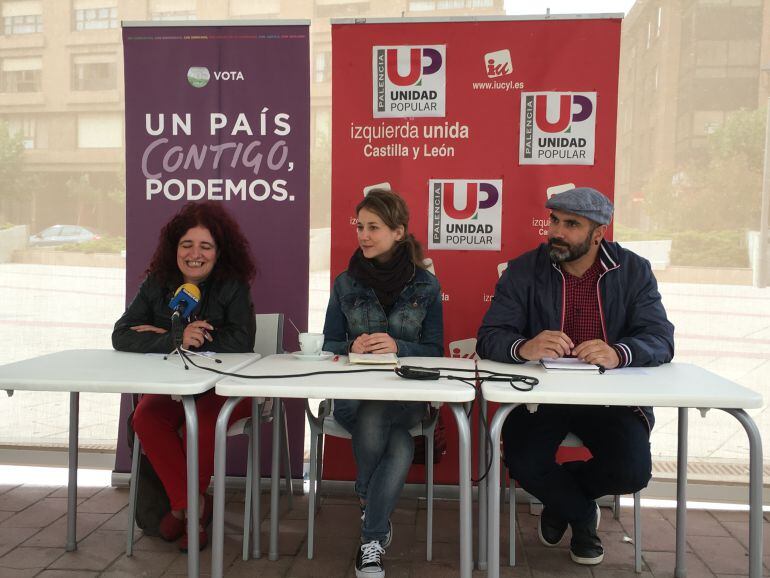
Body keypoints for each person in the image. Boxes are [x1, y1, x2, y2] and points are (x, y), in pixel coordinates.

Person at [476, 187, 674, 566]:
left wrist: (620, 352)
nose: (556, 231)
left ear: (598, 232)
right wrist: (525, 347)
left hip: (609, 397)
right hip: (543, 396)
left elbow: (660, 338)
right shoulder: (524, 270)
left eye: (571, 224)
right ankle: (583, 517)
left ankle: (562, 497)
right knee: (523, 461)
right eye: (554, 221)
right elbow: (491, 336)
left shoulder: (633, 270)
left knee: (632, 472)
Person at [112, 201, 256, 552]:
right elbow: (121, 334)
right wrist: (174, 337)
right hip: (174, 388)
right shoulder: (157, 283)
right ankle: (190, 506)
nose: (195, 254)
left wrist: (180, 335)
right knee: (145, 417)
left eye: (205, 246)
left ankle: (183, 510)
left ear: (219, 252)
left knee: (203, 426)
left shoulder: (233, 286)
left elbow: (242, 341)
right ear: (174, 249)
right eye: (186, 245)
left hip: (225, 390)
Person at [322, 189, 444, 578]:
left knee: (384, 416)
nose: (364, 235)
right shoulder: (345, 283)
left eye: (374, 227)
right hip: (353, 397)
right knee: (401, 442)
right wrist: (350, 344)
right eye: (361, 226)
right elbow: (328, 345)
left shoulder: (425, 285)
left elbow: (435, 350)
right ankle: (372, 539)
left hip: (406, 397)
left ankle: (365, 500)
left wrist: (399, 346)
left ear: (399, 232)